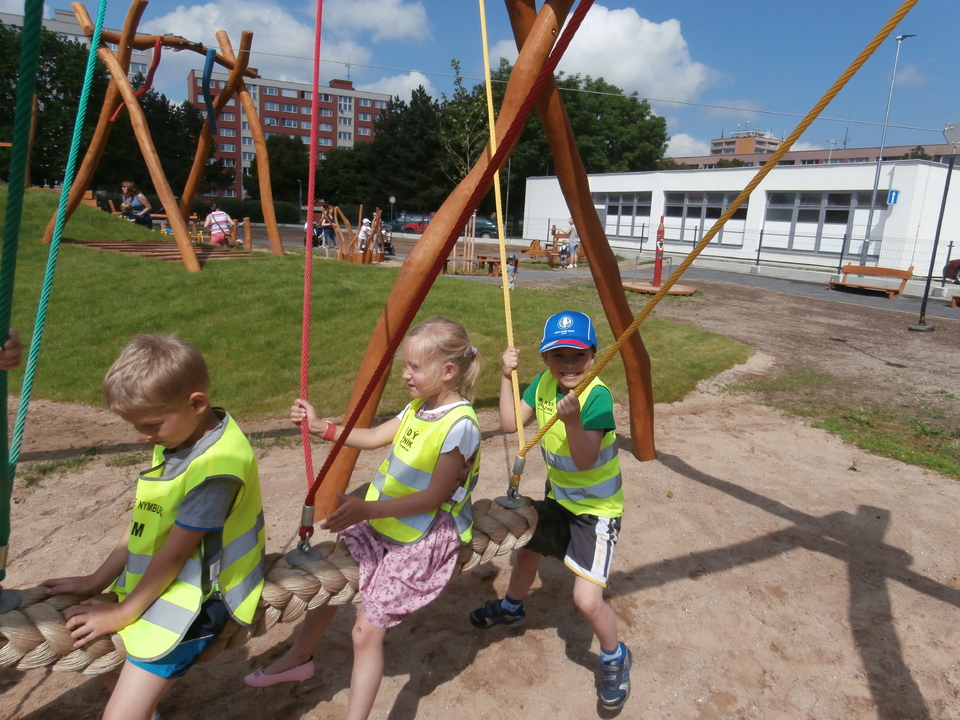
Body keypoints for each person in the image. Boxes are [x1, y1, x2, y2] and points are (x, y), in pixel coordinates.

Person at [244, 317, 483, 720]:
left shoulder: (460, 426)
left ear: (447, 371)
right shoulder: (419, 407)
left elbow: (433, 498)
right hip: (389, 523)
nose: (404, 374)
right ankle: (299, 657)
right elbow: (373, 438)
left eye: (414, 367)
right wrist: (322, 428)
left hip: (426, 536)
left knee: (364, 633)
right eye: (405, 365)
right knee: (333, 583)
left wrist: (366, 509)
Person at [43, 335, 265, 720]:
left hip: (202, 602)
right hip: (162, 587)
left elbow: (176, 553)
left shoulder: (216, 468)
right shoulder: (181, 434)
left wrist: (123, 613)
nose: (143, 436)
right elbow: (145, 520)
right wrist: (97, 581)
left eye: (150, 425)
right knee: (87, 645)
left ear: (196, 403)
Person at [469, 311, 630, 710]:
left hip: (596, 512)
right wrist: (506, 377)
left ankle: (615, 656)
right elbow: (510, 424)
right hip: (559, 499)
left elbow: (586, 459)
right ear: (545, 358)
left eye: (578, 355)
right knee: (527, 549)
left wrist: (572, 421)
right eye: (559, 355)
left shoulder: (596, 396)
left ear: (593, 356)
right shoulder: (542, 384)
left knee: (587, 602)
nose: (569, 364)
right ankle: (512, 607)